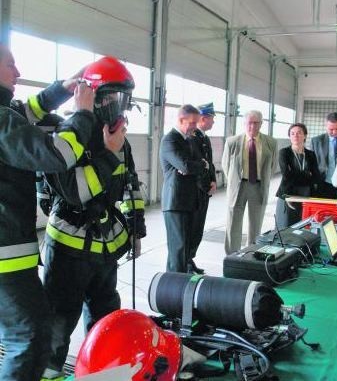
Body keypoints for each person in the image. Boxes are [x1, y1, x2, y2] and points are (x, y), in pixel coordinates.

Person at [0, 44, 104, 381]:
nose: (18, 73)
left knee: (24, 333)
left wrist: (61, 89)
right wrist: (84, 113)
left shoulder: (5, 114)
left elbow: (24, 112)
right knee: (28, 337)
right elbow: (58, 154)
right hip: (6, 257)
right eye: (11, 64)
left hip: (10, 252)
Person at [40, 57, 146, 380]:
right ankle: (47, 373)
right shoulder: (66, 135)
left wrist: (136, 230)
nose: (120, 107)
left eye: (124, 98)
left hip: (105, 251)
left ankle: (100, 371)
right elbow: (74, 192)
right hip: (68, 254)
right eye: (113, 97)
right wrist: (108, 154)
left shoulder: (119, 140)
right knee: (58, 324)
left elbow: (130, 185)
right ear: (94, 97)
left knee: (106, 322)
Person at [160, 104, 209, 273]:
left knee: (185, 249)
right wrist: (195, 165)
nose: (196, 127)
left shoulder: (188, 140)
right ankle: (173, 290)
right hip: (176, 203)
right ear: (181, 120)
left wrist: (196, 165)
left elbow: (199, 163)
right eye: (193, 123)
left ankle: (177, 286)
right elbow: (187, 166)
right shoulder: (170, 140)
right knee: (178, 250)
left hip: (189, 201)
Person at [222, 110, 277, 254]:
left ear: (261, 123)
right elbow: (225, 165)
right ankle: (232, 254)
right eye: (249, 123)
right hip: (238, 186)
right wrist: (234, 181)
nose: (252, 126)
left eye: (256, 123)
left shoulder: (271, 142)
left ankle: (251, 253)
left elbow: (272, 166)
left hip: (258, 186)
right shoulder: (232, 142)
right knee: (233, 221)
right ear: (244, 123)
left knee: (256, 223)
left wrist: (262, 180)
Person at [189, 102, 217, 274]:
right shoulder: (193, 138)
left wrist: (213, 181)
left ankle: (190, 258)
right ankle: (186, 261)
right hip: (197, 192)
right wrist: (204, 186)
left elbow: (210, 164)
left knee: (198, 229)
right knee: (192, 229)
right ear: (203, 118)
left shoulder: (204, 138)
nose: (213, 122)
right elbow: (198, 165)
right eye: (212, 119)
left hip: (205, 191)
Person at [275, 123, 319, 228]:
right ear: (289, 136)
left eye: (299, 133)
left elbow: (316, 176)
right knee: (285, 226)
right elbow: (286, 174)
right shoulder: (284, 152)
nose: (296, 136)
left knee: (304, 226)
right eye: (292, 133)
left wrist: (294, 174)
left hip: (306, 194)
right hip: (288, 194)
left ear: (305, 135)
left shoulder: (310, 154)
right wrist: (307, 174)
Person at [311, 112, 337, 199]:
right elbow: (312, 164)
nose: (335, 132)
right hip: (325, 183)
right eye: (331, 129)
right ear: (325, 125)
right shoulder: (317, 141)